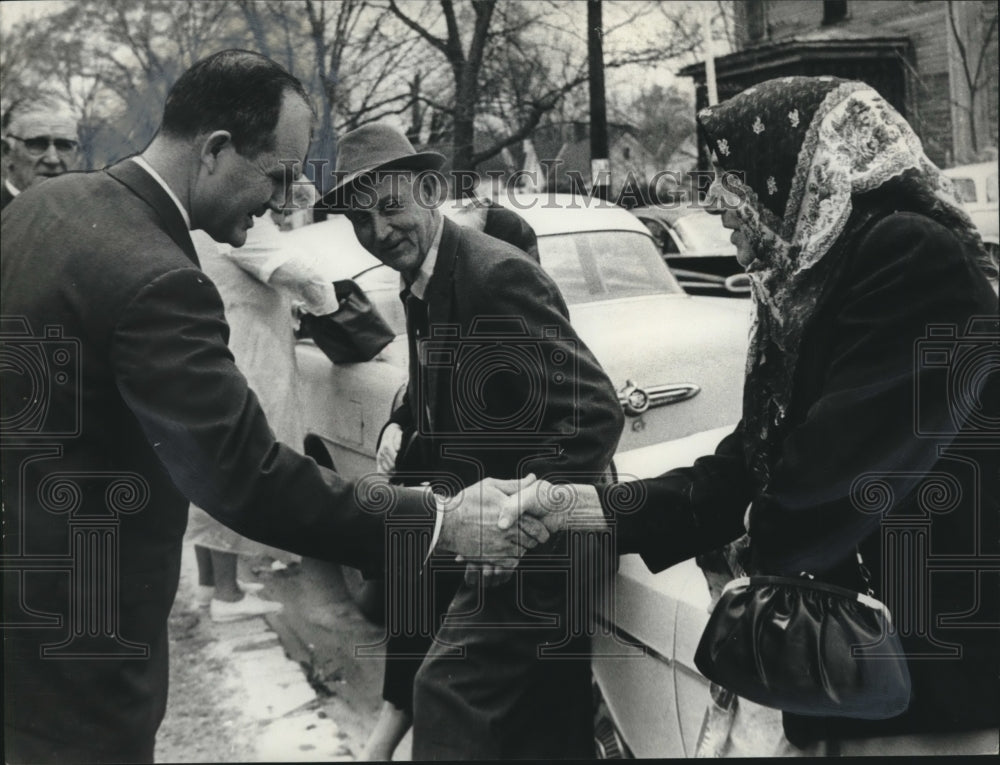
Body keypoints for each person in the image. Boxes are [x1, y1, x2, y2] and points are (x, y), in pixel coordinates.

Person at [0, 50, 537, 764]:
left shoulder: (38, 209)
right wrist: (442, 520)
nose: (284, 202)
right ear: (217, 150)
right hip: (86, 636)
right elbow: (249, 478)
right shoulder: (157, 276)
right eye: (279, 176)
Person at [513, 76, 999, 756]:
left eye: (728, 174)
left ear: (798, 169)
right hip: (857, 675)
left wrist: (743, 535)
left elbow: (823, 479)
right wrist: (580, 508)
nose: (712, 199)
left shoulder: (911, 256)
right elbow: (745, 468)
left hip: (934, 682)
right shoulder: (806, 290)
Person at [324, 123, 624, 760]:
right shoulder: (423, 281)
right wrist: (402, 426)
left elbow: (592, 413)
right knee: (547, 719)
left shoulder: (493, 277)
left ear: (429, 190)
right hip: (497, 526)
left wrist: (514, 517)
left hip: (548, 531)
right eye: (360, 221)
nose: (379, 232)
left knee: (446, 694)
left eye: (390, 207)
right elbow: (435, 391)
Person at [361, 191, 544, 760]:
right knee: (417, 628)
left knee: (452, 680)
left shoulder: (501, 293)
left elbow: (564, 419)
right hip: (447, 498)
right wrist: (395, 424)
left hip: (500, 511)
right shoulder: (423, 289)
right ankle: (384, 741)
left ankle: (383, 744)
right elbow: (422, 379)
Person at [188, 181, 338, 622]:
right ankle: (227, 596)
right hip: (250, 354)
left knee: (216, 467)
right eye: (283, 200)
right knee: (239, 468)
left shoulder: (208, 211)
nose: (285, 210)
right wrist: (330, 302)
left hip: (233, 342)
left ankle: (209, 584)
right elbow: (293, 269)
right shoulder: (245, 224)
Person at [1, 105, 82, 209]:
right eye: (37, 144)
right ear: (6, 153)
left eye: (64, 145)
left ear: (78, 155)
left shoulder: (87, 213)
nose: (52, 159)